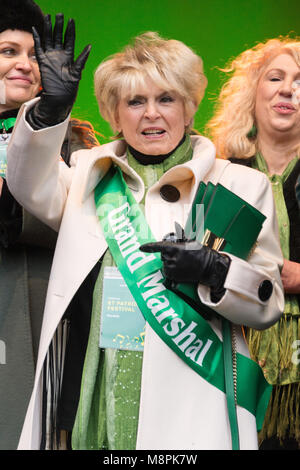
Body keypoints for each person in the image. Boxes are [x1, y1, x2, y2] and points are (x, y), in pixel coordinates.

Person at [6, 15, 284, 451]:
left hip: (194, 392)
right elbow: (28, 183)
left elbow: (270, 302)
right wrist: (49, 112)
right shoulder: (86, 174)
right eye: (135, 102)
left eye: (166, 99)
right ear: (114, 113)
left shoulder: (241, 185)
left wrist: (217, 270)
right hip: (98, 384)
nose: (151, 114)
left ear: (190, 106)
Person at [0, 1, 99, 450]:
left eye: (32, 54)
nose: (24, 64)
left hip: (41, 312)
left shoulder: (77, 141)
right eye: (7, 51)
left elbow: (77, 225)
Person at [206, 36, 300, 449]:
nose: (287, 89)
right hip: (229, 346)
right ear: (252, 93)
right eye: (275, 77)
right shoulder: (218, 170)